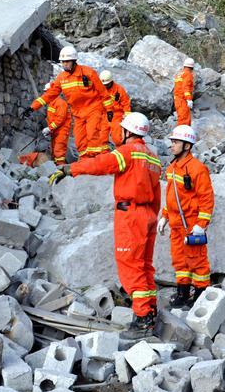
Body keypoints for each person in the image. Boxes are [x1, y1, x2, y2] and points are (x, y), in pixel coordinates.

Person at [49, 112, 162, 336]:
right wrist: (151, 216)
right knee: (144, 266)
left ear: (128, 131)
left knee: (131, 266)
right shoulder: (152, 157)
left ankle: (143, 320)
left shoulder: (127, 152)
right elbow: (157, 193)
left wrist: (71, 169)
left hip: (130, 215)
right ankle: (150, 310)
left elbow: (101, 164)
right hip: (148, 214)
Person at [157, 125, 214, 308]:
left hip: (190, 224)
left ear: (187, 146)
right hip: (176, 224)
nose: (172, 145)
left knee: (197, 260)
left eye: (176, 142)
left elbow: (206, 199)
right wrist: (165, 216)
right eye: (172, 141)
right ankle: (183, 293)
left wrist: (201, 224)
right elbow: (171, 197)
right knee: (179, 260)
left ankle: (200, 293)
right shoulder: (172, 168)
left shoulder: (198, 169)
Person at [25, 46, 113, 160]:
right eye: (63, 62)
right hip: (78, 113)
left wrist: (109, 110)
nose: (64, 64)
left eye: (67, 62)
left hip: (93, 109)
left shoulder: (88, 73)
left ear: (74, 61)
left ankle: (97, 161)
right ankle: (86, 162)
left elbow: (103, 92)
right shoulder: (62, 78)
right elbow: (49, 95)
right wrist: (32, 107)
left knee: (92, 135)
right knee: (79, 140)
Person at [40, 82, 71, 165]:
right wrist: (50, 130)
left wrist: (49, 128)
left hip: (62, 131)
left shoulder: (60, 103)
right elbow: (51, 119)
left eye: (46, 91)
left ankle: (60, 169)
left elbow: (60, 119)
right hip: (55, 130)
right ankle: (54, 168)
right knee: (53, 150)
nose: (45, 93)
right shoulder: (51, 103)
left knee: (58, 151)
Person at [99, 69, 132, 145]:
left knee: (118, 138)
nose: (105, 86)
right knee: (101, 137)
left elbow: (126, 103)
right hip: (104, 115)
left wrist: (127, 116)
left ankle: (120, 150)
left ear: (111, 81)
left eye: (107, 84)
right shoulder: (99, 89)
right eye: (103, 84)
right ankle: (103, 151)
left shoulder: (119, 90)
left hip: (117, 115)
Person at [173, 57, 195, 126]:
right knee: (184, 120)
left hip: (177, 99)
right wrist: (189, 99)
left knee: (182, 118)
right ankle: (181, 132)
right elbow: (186, 87)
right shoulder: (188, 74)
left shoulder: (179, 74)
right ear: (192, 68)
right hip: (182, 100)